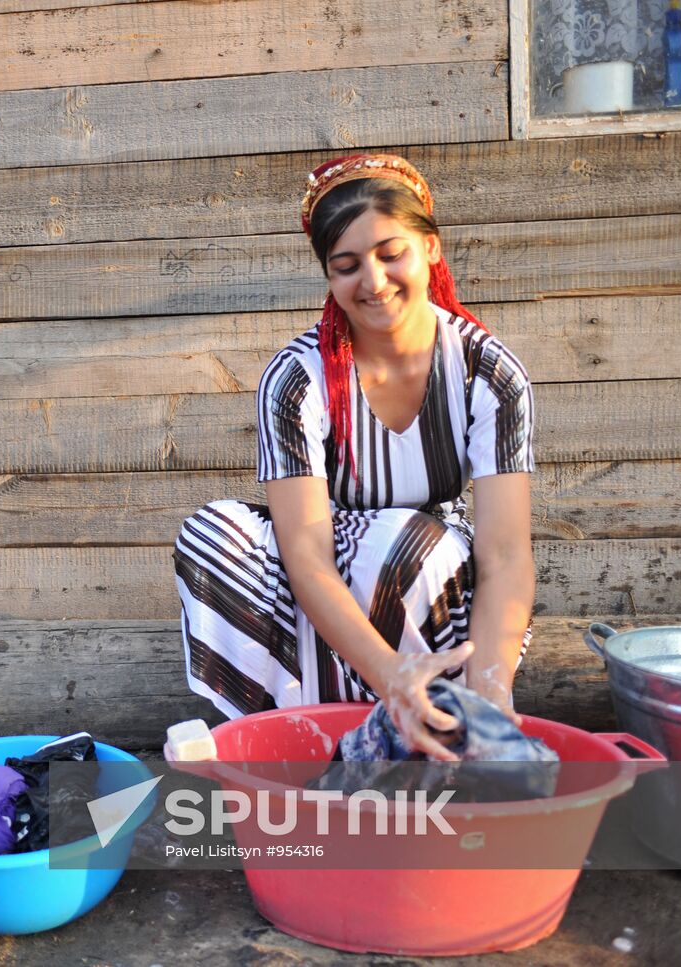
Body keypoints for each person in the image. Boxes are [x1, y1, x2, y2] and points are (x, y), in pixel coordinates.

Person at [173, 154, 535, 761]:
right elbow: (307, 553)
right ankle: (310, 733)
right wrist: (386, 671)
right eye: (346, 266)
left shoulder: (487, 372)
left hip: (433, 580)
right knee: (213, 535)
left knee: (414, 546)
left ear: (431, 249)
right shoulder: (298, 378)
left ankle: (436, 724)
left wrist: (491, 691)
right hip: (319, 574)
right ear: (330, 277)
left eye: (391, 253)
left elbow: (504, 552)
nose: (372, 281)